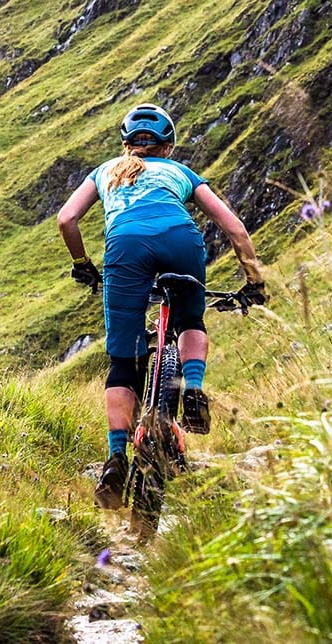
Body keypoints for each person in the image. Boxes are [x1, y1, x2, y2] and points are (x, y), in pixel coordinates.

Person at [56, 103, 266, 509]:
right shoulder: (180, 172)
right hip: (180, 241)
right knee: (190, 319)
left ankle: (117, 456)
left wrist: (82, 264)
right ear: (167, 147)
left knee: (123, 360)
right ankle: (195, 390)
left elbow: (67, 219)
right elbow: (234, 228)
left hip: (126, 249)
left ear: (125, 146)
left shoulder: (105, 172)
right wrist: (254, 282)